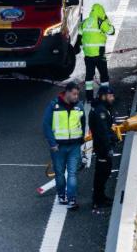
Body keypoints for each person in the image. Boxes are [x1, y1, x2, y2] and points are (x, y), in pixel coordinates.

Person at [43, 81, 86, 210]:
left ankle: (71, 198)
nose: (76, 97)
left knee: (72, 173)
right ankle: (62, 195)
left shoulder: (79, 106)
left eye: (77, 94)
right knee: (60, 173)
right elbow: (46, 125)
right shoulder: (54, 106)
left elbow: (83, 122)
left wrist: (81, 138)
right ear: (66, 92)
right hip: (58, 147)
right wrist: (52, 143)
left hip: (74, 146)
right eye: (74, 94)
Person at [89, 83, 117, 209]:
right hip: (102, 147)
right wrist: (108, 147)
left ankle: (101, 196)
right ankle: (98, 199)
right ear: (103, 96)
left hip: (103, 146)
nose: (112, 98)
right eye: (110, 96)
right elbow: (102, 132)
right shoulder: (101, 111)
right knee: (102, 173)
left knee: (105, 171)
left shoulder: (103, 109)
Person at [80, 3, 115, 101]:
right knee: (104, 75)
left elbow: (79, 33)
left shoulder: (85, 22)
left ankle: (89, 98)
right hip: (99, 55)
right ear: (101, 12)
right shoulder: (101, 22)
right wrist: (106, 20)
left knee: (89, 77)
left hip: (88, 55)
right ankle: (104, 96)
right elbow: (111, 31)